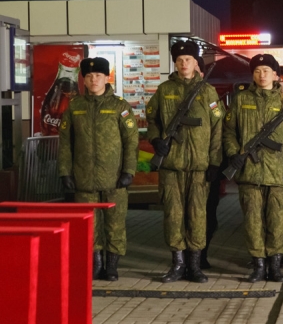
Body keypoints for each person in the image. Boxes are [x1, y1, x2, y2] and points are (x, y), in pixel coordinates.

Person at [148, 40, 223, 283]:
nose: (183, 64)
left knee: (197, 215)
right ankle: (177, 264)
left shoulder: (207, 91)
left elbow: (217, 129)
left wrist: (214, 162)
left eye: (188, 60)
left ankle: (195, 265)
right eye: (179, 60)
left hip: (199, 167)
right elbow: (152, 120)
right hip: (171, 165)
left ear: (195, 63)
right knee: (173, 215)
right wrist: (156, 139)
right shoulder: (163, 90)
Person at [223, 54, 283, 282]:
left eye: (266, 71)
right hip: (249, 173)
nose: (261, 75)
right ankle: (258, 265)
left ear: (276, 75)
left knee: (277, 222)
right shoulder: (240, 100)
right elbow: (229, 132)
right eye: (257, 71)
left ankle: (275, 265)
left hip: (278, 174)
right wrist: (234, 153)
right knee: (252, 222)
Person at [58, 57, 138, 282]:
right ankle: (95, 264)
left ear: (106, 77)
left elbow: (131, 141)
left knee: (115, 224)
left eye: (99, 76)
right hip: (84, 178)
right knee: (89, 226)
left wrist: (128, 171)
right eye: (90, 76)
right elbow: (65, 141)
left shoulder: (119, 106)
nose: (94, 80)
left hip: (114, 178)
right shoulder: (75, 106)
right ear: (84, 79)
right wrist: (65, 171)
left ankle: (111, 266)